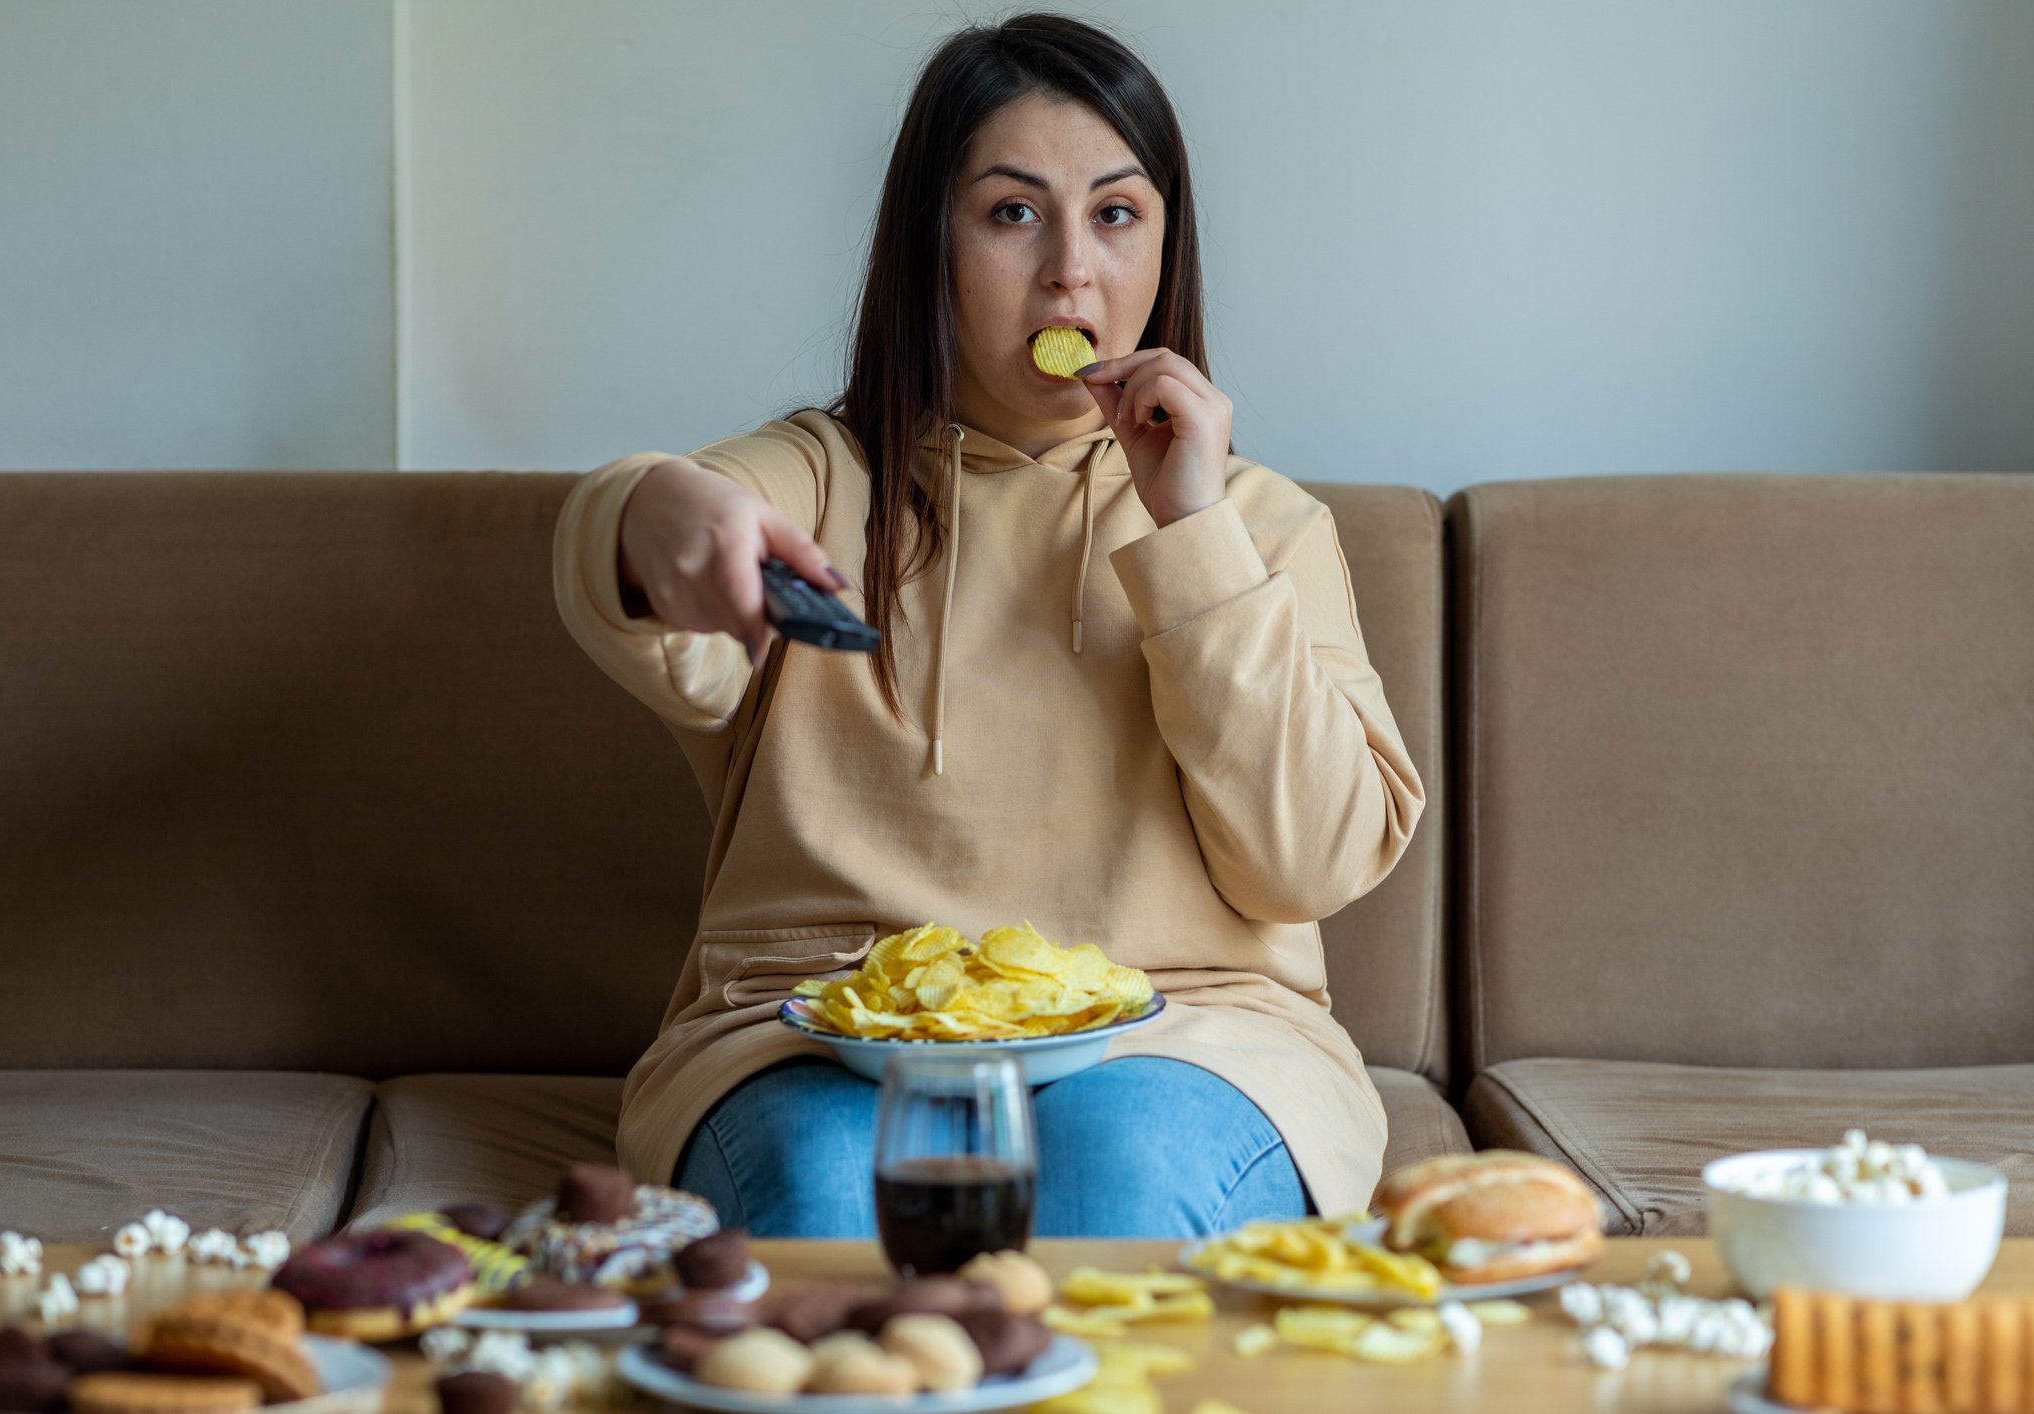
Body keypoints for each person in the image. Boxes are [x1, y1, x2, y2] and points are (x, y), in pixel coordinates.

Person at [551, 13, 1424, 1238]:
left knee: (1111, 1189)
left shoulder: (1263, 524)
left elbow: (1312, 862)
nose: (1074, 272)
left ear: (1166, 249)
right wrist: (654, 513)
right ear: (933, 244)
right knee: (818, 1199)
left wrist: (1195, 535)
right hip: (816, 1026)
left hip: (1200, 1027)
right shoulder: (822, 476)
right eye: (1014, 214)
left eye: (1117, 216)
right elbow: (649, 537)